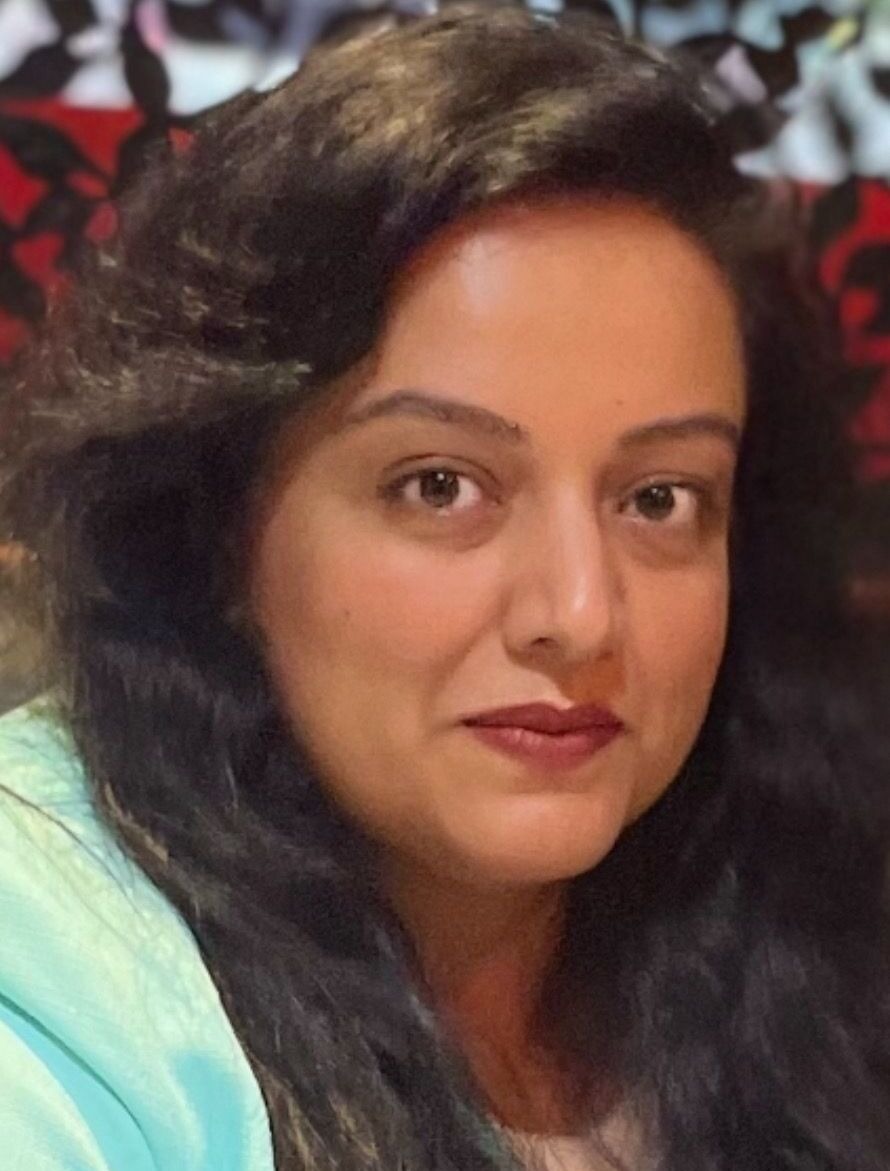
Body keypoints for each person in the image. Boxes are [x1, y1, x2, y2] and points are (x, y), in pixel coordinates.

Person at [1, 5, 888, 1170]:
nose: (578, 615)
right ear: (218, 527)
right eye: (439, 486)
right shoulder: (50, 968)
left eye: (658, 499)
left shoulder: (813, 916)